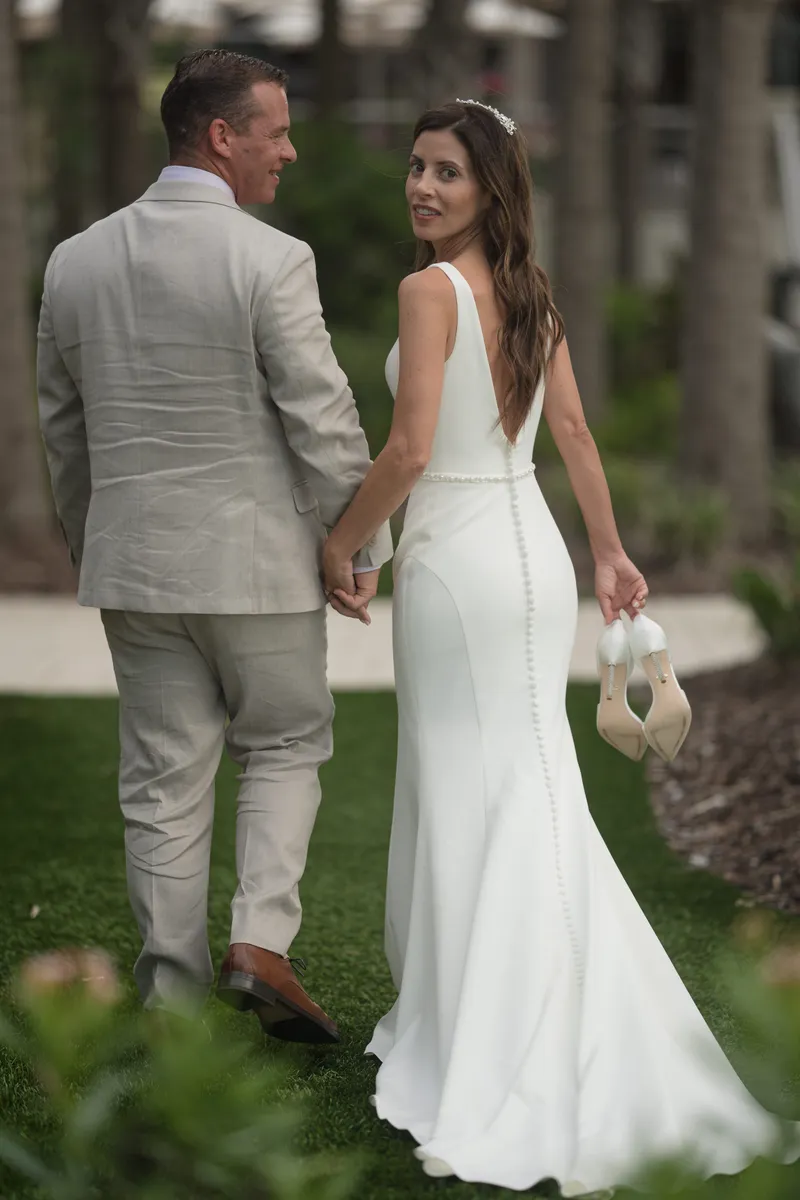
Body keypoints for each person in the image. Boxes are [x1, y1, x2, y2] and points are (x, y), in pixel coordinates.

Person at [321, 100, 799, 1195]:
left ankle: (492, 1032)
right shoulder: (529, 294)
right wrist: (610, 555)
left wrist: (342, 544)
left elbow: (403, 447)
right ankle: (527, 1004)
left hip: (455, 563)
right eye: (414, 166)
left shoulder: (426, 290)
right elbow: (570, 434)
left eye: (445, 171)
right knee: (528, 788)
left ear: (491, 187)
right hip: (529, 558)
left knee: (474, 788)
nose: (420, 187)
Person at [36, 49, 392, 1042]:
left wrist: (93, 541)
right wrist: (359, 543)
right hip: (258, 566)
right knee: (284, 742)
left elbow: (61, 431)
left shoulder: (74, 260)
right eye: (274, 130)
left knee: (160, 778)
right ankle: (259, 943)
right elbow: (320, 417)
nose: (288, 149)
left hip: (133, 563)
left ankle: (171, 998)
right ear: (220, 135)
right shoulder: (269, 258)